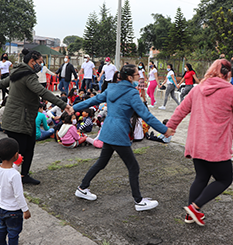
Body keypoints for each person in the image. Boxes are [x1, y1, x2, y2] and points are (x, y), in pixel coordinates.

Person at [73, 64, 172, 211]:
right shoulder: (132, 94)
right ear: (130, 77)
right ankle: (139, 201)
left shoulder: (112, 88)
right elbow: (146, 115)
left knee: (101, 163)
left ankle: (82, 187)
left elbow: (92, 101)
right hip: (118, 134)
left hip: (108, 132)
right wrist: (164, 130)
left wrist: (72, 108)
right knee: (133, 167)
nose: (140, 77)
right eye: (138, 75)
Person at [166, 59, 233, 226]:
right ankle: (195, 207)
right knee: (225, 179)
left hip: (197, 143)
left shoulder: (197, 89)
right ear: (227, 73)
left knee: (201, 177)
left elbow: (181, 110)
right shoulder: (232, 92)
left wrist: (170, 127)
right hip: (216, 145)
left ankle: (190, 215)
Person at [0, 49, 72, 185]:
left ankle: (24, 175)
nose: (41, 65)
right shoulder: (28, 75)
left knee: (28, 147)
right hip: (19, 119)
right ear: (32, 61)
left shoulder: (18, 72)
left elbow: (3, 83)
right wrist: (63, 105)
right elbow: (41, 91)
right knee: (18, 150)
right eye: (40, 62)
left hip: (23, 118)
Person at [0, 137, 31, 245]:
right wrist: (25, 210)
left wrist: (16, 165)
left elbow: (8, 173)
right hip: (14, 210)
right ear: (16, 155)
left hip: (2, 206)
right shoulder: (15, 175)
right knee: (13, 233)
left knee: (2, 228)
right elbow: (18, 195)